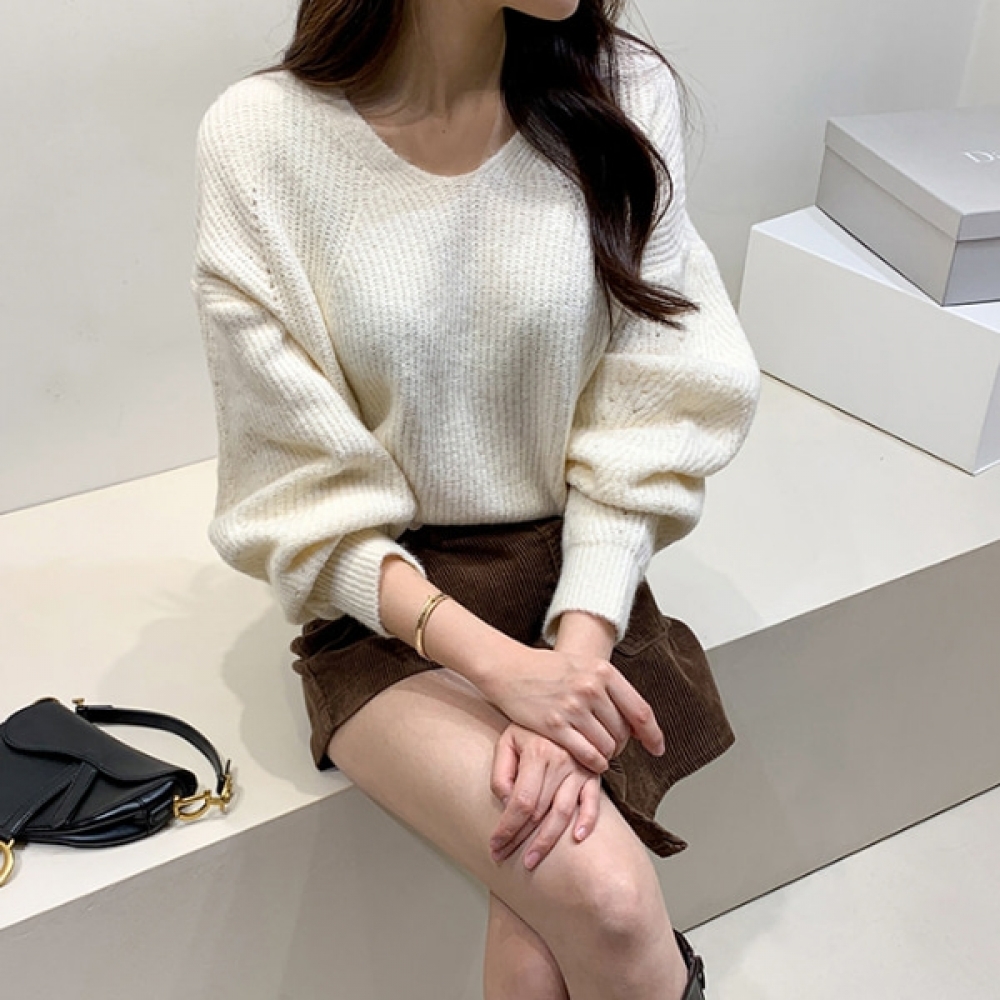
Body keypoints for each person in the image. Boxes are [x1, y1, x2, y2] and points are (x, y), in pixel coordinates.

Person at [192, 1, 760, 997]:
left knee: (538, 958)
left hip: (577, 574)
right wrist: (503, 670)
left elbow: (650, 403)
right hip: (389, 608)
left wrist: (572, 655)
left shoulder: (621, 93)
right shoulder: (262, 140)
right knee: (606, 900)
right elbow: (290, 486)